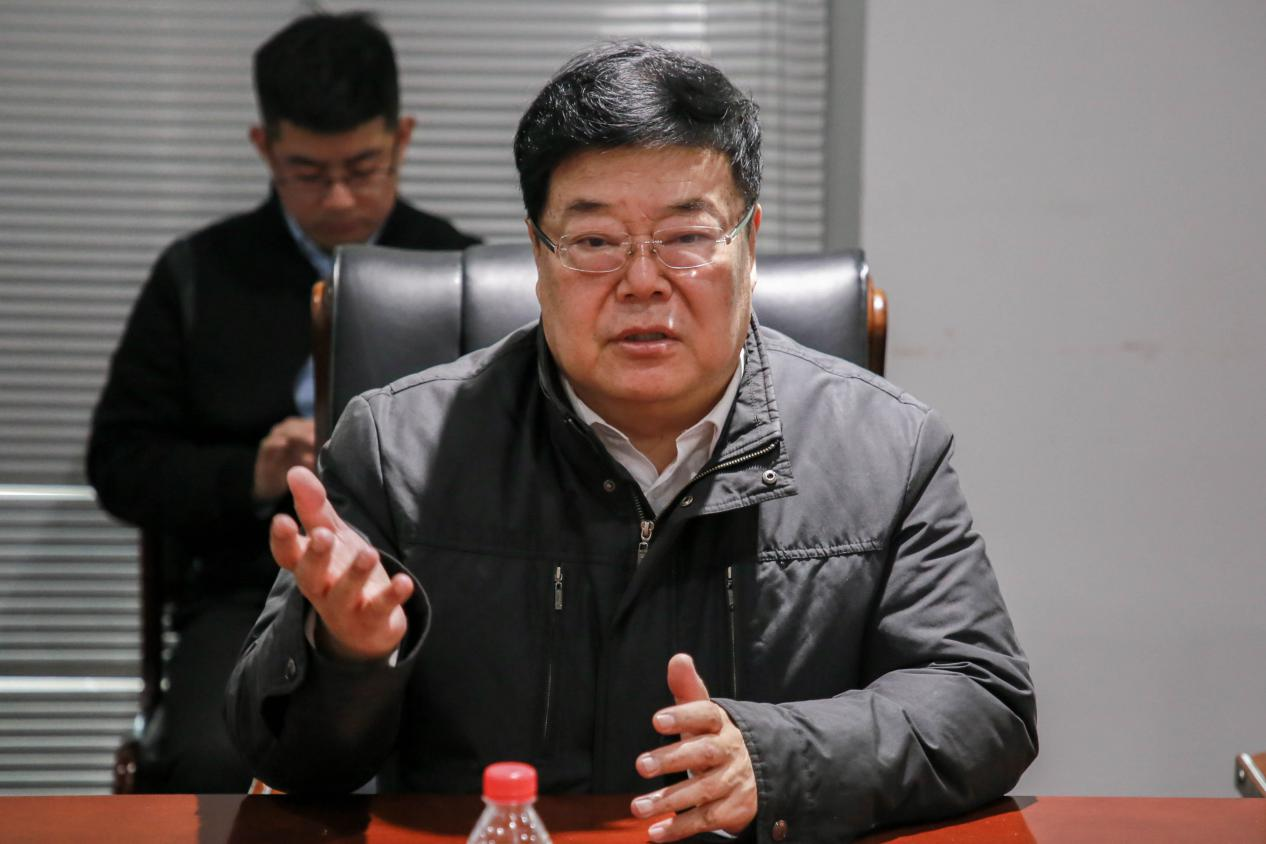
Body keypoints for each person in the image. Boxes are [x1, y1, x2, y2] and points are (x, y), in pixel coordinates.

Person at [226, 42, 1037, 841]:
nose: (643, 281)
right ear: (538, 255)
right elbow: (288, 758)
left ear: (749, 245)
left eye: (686, 237)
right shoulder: (397, 449)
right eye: (595, 242)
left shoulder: (889, 450)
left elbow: (981, 701)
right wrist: (345, 655)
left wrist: (780, 758)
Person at [88, 11, 478, 793]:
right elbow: (120, 464)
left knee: (481, 751)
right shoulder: (198, 276)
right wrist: (252, 475)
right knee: (215, 762)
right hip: (246, 589)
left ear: (402, 139)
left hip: (433, 582)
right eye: (307, 172)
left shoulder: (460, 272)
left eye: (363, 167)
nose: (339, 197)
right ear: (264, 148)